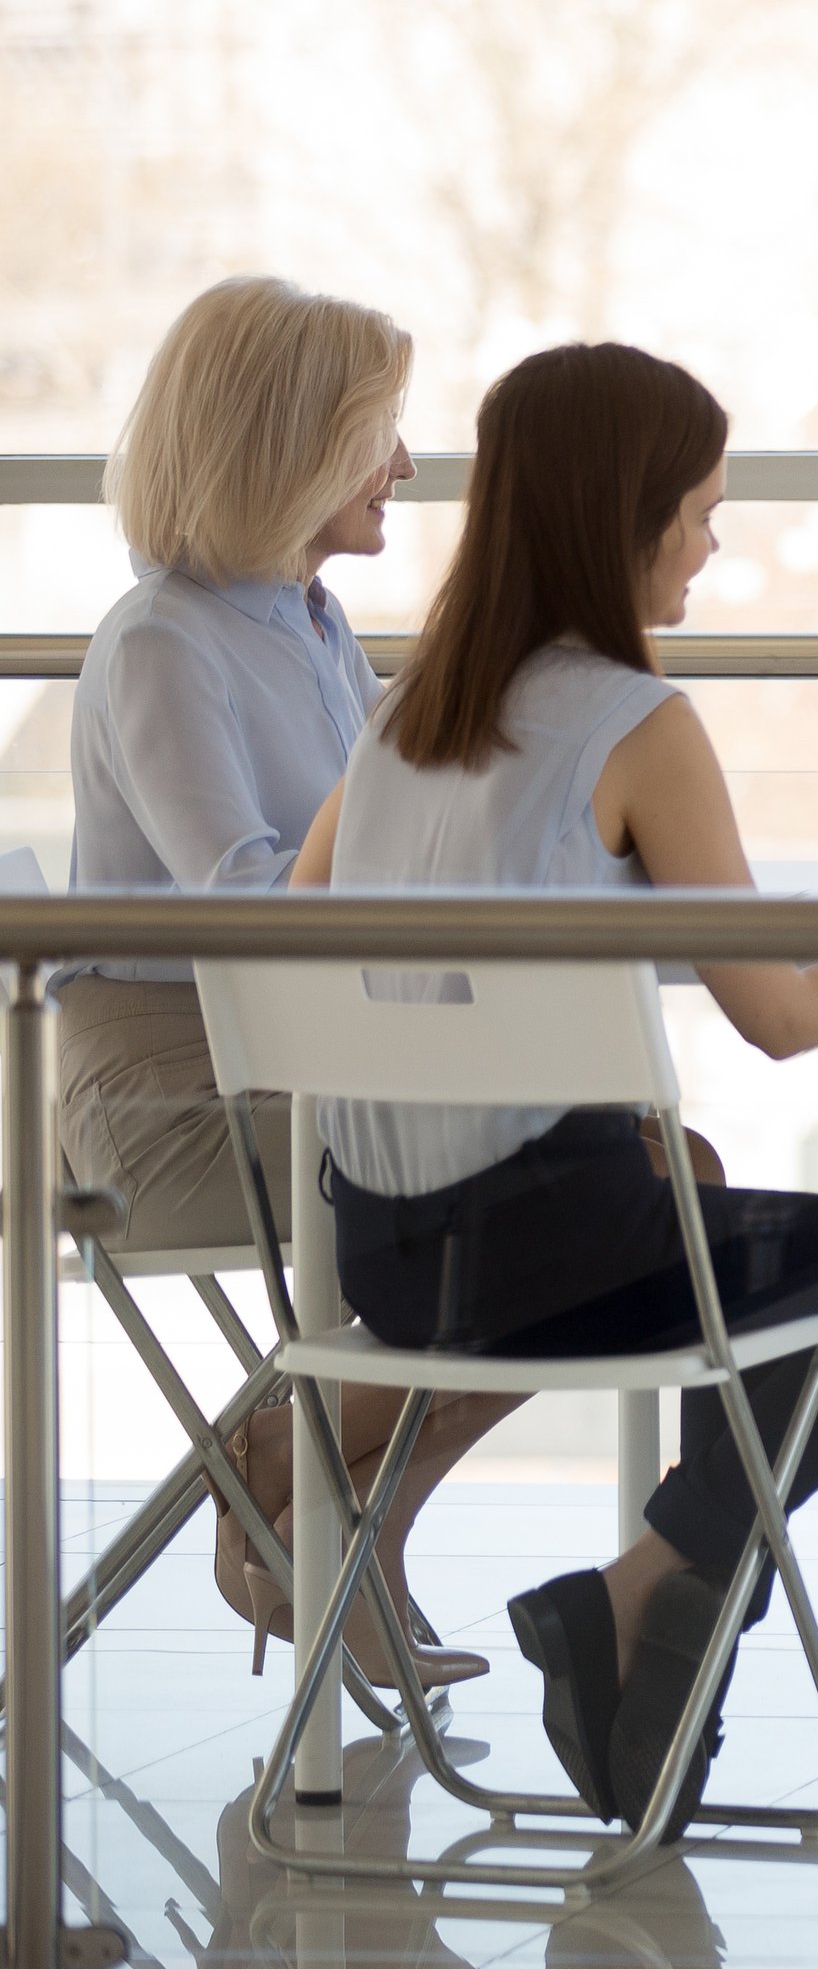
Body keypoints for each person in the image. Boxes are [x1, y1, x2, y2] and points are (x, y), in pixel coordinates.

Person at [294, 342, 818, 1824]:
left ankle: (664, 1663)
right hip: (549, 1266)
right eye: (699, 512)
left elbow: (300, 938)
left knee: (719, 1226)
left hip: (386, 1258)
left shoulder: (399, 719)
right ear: (627, 520)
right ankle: (639, 1586)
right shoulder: (638, 724)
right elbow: (782, 1015)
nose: (711, 545)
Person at [59, 278, 504, 1680]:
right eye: (378, 434)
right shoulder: (162, 643)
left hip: (304, 1066)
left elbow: (383, 858)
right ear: (287, 447)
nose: (405, 466)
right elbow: (253, 904)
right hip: (175, 1100)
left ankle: (332, 1508)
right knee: (591, 1187)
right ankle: (294, 1485)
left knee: (643, 1175)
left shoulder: (310, 620)